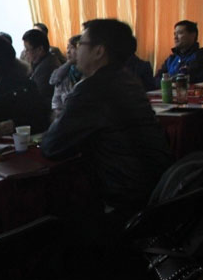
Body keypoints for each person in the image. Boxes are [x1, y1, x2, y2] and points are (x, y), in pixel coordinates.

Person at [42, 19, 172, 245]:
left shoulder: (93, 89)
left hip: (122, 199)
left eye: (81, 44)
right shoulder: (127, 80)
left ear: (99, 51)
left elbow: (52, 146)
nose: (76, 50)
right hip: (155, 187)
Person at [154, 20, 203, 86]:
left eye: (180, 33)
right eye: (175, 34)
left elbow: (189, 78)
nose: (175, 37)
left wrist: (167, 80)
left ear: (193, 35)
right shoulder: (171, 59)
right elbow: (156, 79)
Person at [23, 29, 61, 124]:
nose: (25, 53)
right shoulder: (42, 62)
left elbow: (36, 95)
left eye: (27, 49)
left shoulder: (47, 67)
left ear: (40, 49)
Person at [49, 35, 82, 119]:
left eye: (72, 48)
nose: (68, 51)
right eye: (67, 48)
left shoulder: (89, 72)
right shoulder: (63, 74)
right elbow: (56, 100)